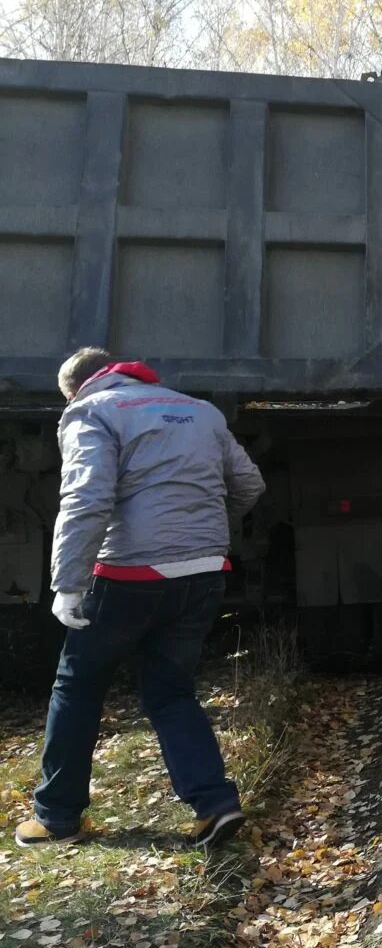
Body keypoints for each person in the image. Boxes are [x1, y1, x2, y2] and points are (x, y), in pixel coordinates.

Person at [17, 348, 265, 849]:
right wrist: (202, 533)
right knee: (171, 691)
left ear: (76, 388)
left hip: (128, 575)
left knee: (78, 687)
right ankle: (214, 805)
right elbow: (249, 484)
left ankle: (57, 817)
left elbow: (87, 497)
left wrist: (68, 583)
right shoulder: (200, 410)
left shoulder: (90, 412)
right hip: (203, 572)